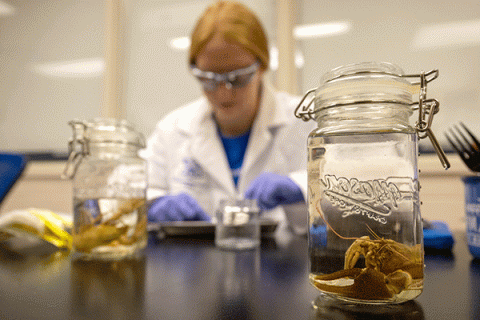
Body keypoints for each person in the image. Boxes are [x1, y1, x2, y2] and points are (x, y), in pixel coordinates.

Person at [141, 0, 314, 234]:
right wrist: (152, 206)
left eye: (238, 78)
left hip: (284, 265)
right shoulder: (171, 130)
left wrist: (301, 187)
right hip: (194, 268)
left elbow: (352, 199)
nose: (224, 93)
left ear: (262, 65)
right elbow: (134, 193)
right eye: (209, 79)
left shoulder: (306, 122)